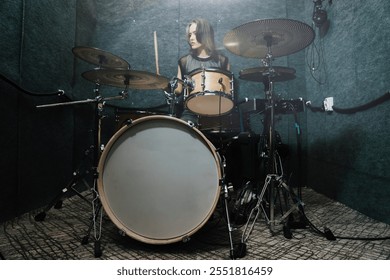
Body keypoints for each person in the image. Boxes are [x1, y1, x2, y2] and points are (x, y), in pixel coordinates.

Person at [175, 18, 231, 125]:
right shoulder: (184, 61)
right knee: (181, 132)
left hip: (217, 111)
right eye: (189, 35)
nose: (191, 38)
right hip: (190, 112)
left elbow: (228, 93)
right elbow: (178, 90)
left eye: (195, 34)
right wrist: (161, 83)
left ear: (205, 34)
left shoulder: (222, 61)